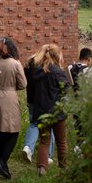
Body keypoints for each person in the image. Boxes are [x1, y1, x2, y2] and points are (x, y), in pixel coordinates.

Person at [25, 44, 73, 175]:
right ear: (57, 55)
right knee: (61, 142)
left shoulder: (37, 71)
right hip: (58, 113)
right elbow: (67, 91)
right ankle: (63, 169)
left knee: (44, 141)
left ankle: (42, 168)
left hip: (41, 112)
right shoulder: (58, 72)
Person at [0, 37, 26, 179]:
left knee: (0, 131)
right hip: (9, 99)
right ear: (12, 49)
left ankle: (0, 164)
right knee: (13, 131)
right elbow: (23, 84)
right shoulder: (15, 64)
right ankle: (2, 162)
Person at [68, 47, 92, 152]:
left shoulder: (70, 67)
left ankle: (78, 145)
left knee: (77, 123)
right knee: (86, 126)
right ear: (88, 59)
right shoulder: (90, 70)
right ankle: (81, 148)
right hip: (85, 102)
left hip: (74, 101)